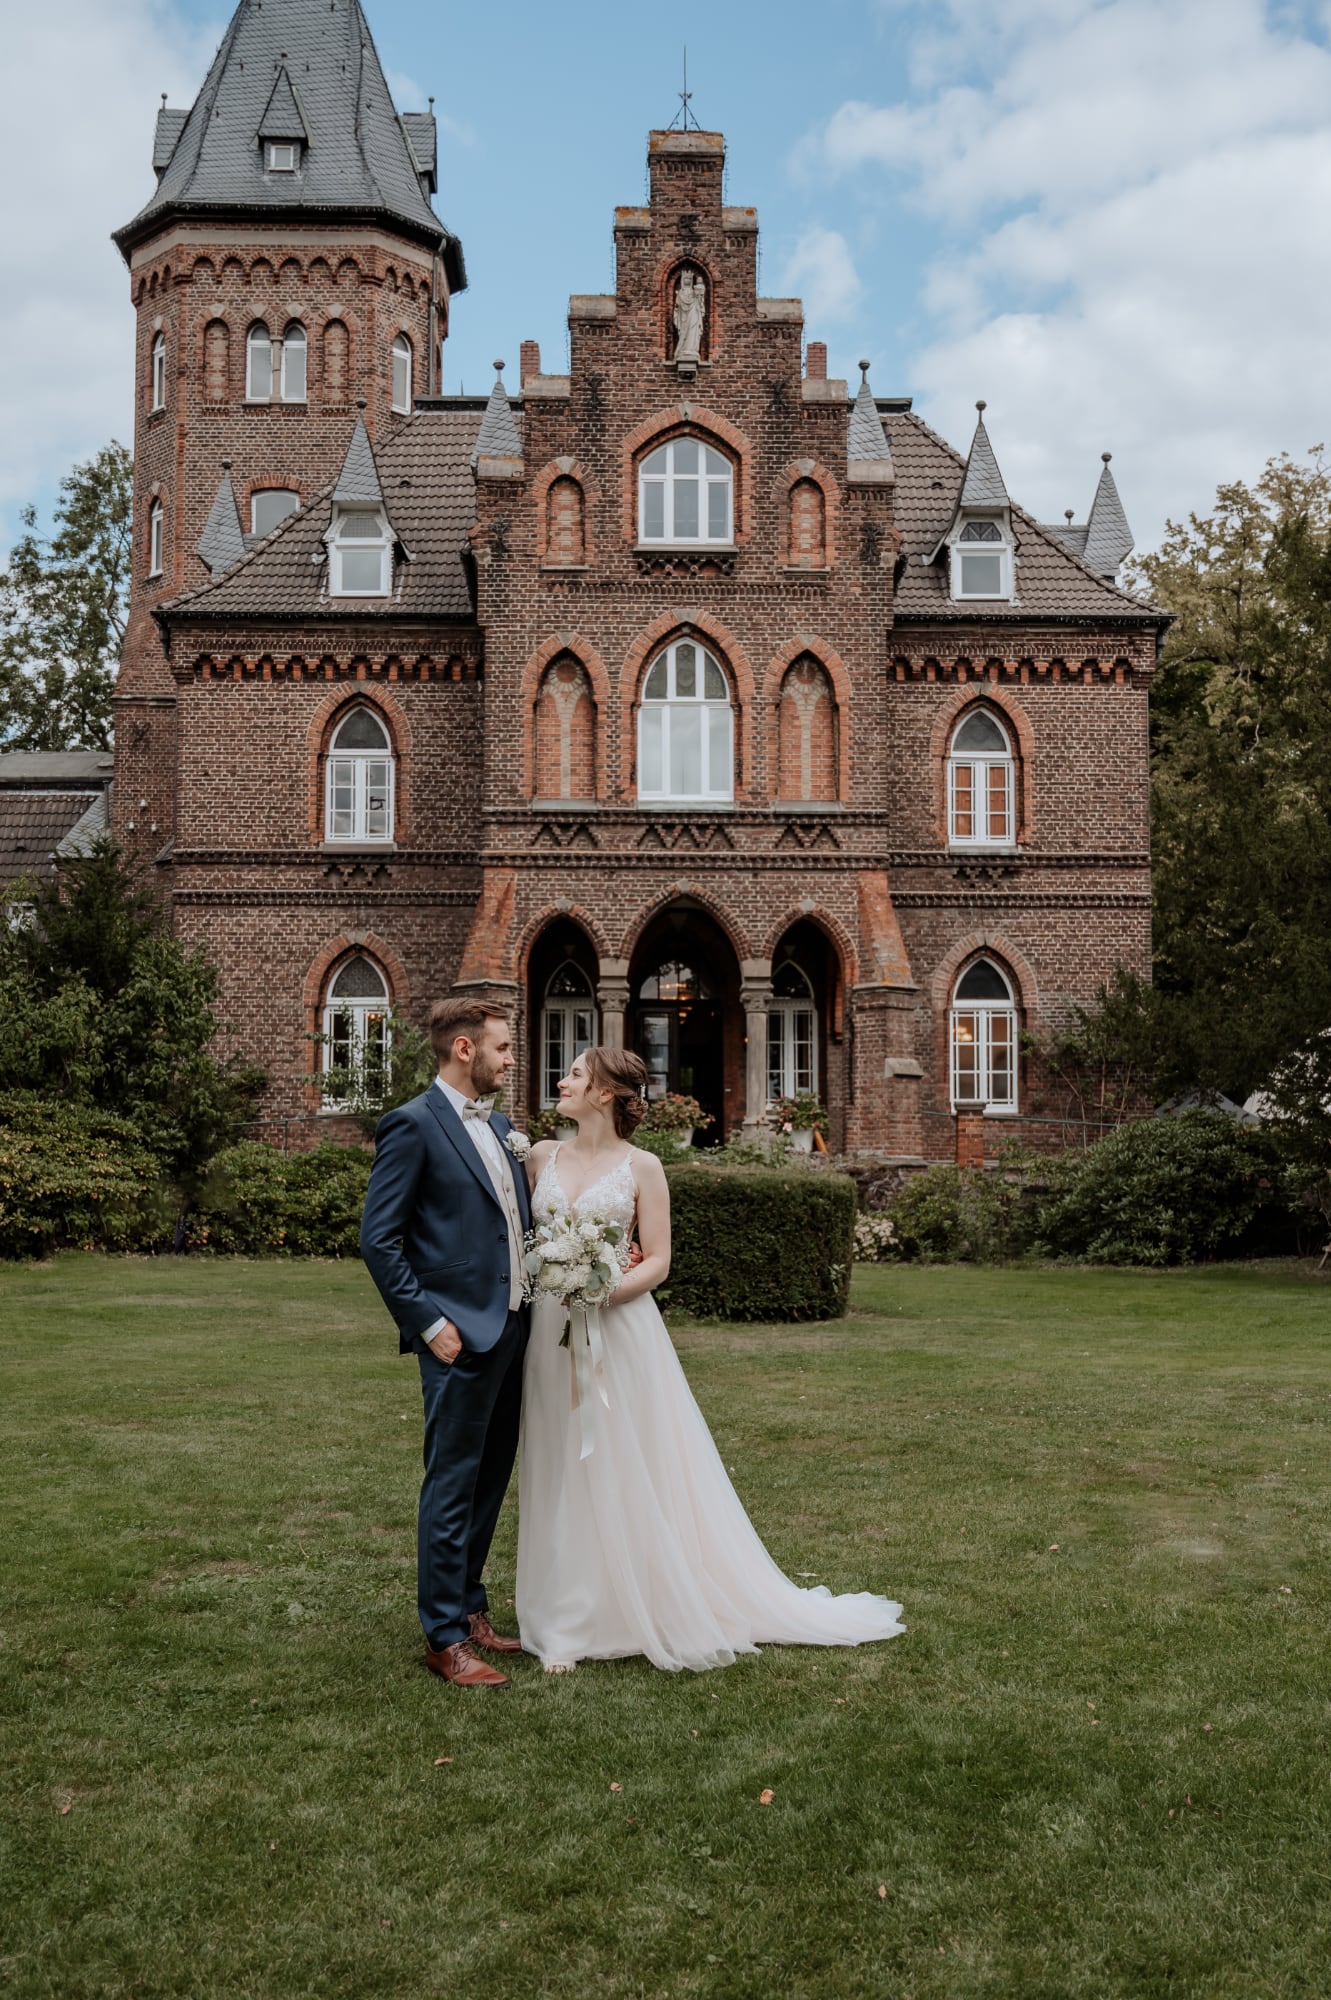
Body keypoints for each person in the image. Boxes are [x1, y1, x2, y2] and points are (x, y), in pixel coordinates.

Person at [517, 1047, 905, 1673]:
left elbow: (661, 1262)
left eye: (577, 1075)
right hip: (549, 1331)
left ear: (607, 1093)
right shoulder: (540, 1157)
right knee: (560, 1457)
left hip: (621, 1331)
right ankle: (565, 1612)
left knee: (623, 1457)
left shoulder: (643, 1167)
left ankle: (631, 1601)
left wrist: (602, 1290)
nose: (560, 1080)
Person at [359, 999, 531, 1690]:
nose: (510, 1058)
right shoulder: (412, 1124)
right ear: (464, 1049)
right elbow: (379, 1239)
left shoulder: (503, 1127)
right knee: (453, 1482)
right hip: (458, 1335)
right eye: (503, 1047)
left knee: (489, 1481)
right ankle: (443, 1638)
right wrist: (431, 1325)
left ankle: (471, 1610)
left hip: (512, 1326)